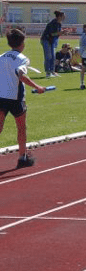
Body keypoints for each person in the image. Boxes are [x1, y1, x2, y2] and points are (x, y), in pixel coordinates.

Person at [0, 28, 48, 168]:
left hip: (1, 96)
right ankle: (22, 157)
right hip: (15, 98)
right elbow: (21, 75)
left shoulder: (1, 56)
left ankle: (23, 156)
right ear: (22, 44)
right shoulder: (23, 59)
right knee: (21, 128)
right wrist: (37, 87)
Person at [40, 10, 65, 78]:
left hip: (52, 41)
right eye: (63, 16)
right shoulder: (53, 23)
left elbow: (57, 33)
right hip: (46, 40)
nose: (64, 17)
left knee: (53, 57)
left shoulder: (59, 24)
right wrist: (60, 33)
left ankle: (52, 71)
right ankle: (48, 72)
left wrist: (62, 33)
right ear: (59, 16)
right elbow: (52, 33)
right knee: (48, 56)